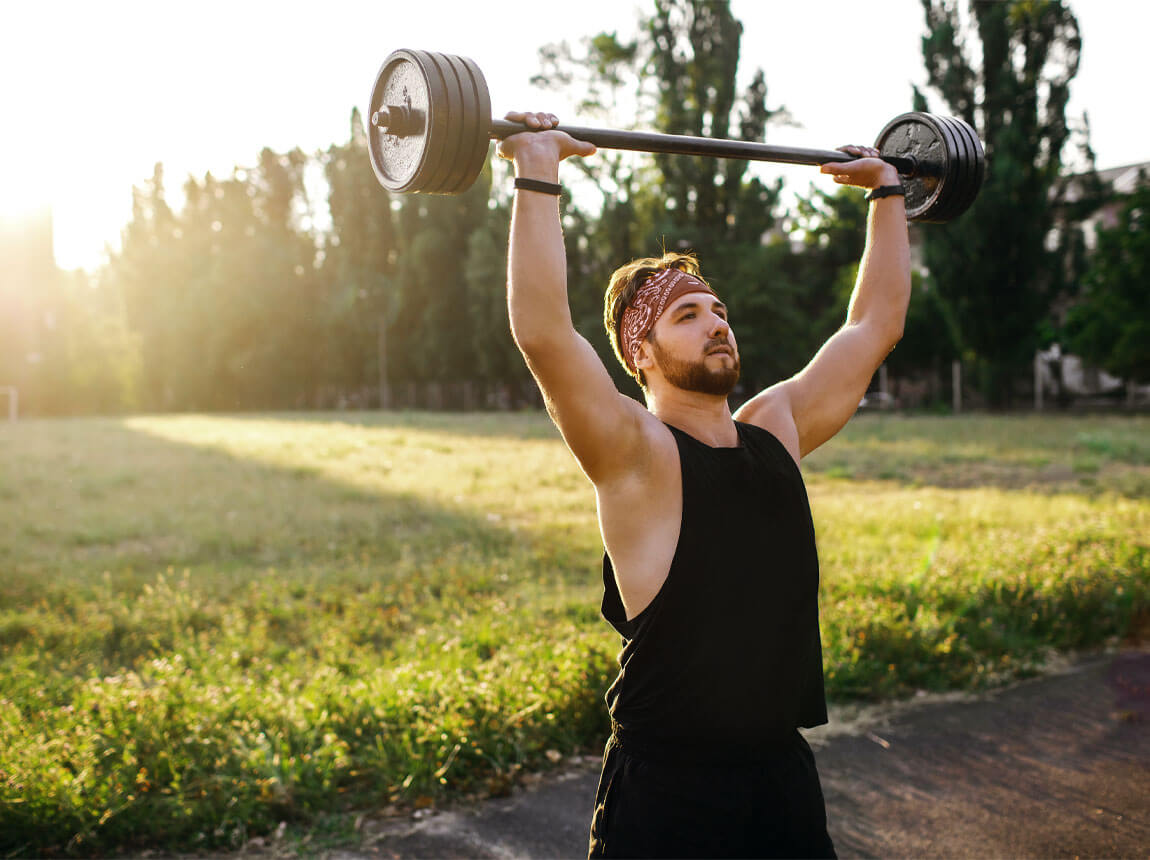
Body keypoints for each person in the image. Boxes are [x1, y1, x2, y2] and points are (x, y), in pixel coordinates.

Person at [497, 110, 910, 859]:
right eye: (687, 316)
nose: (717, 324)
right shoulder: (638, 455)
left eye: (718, 311)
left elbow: (873, 326)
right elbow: (544, 333)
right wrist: (537, 170)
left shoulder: (776, 429)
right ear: (641, 353)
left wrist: (886, 192)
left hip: (781, 779)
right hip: (670, 798)